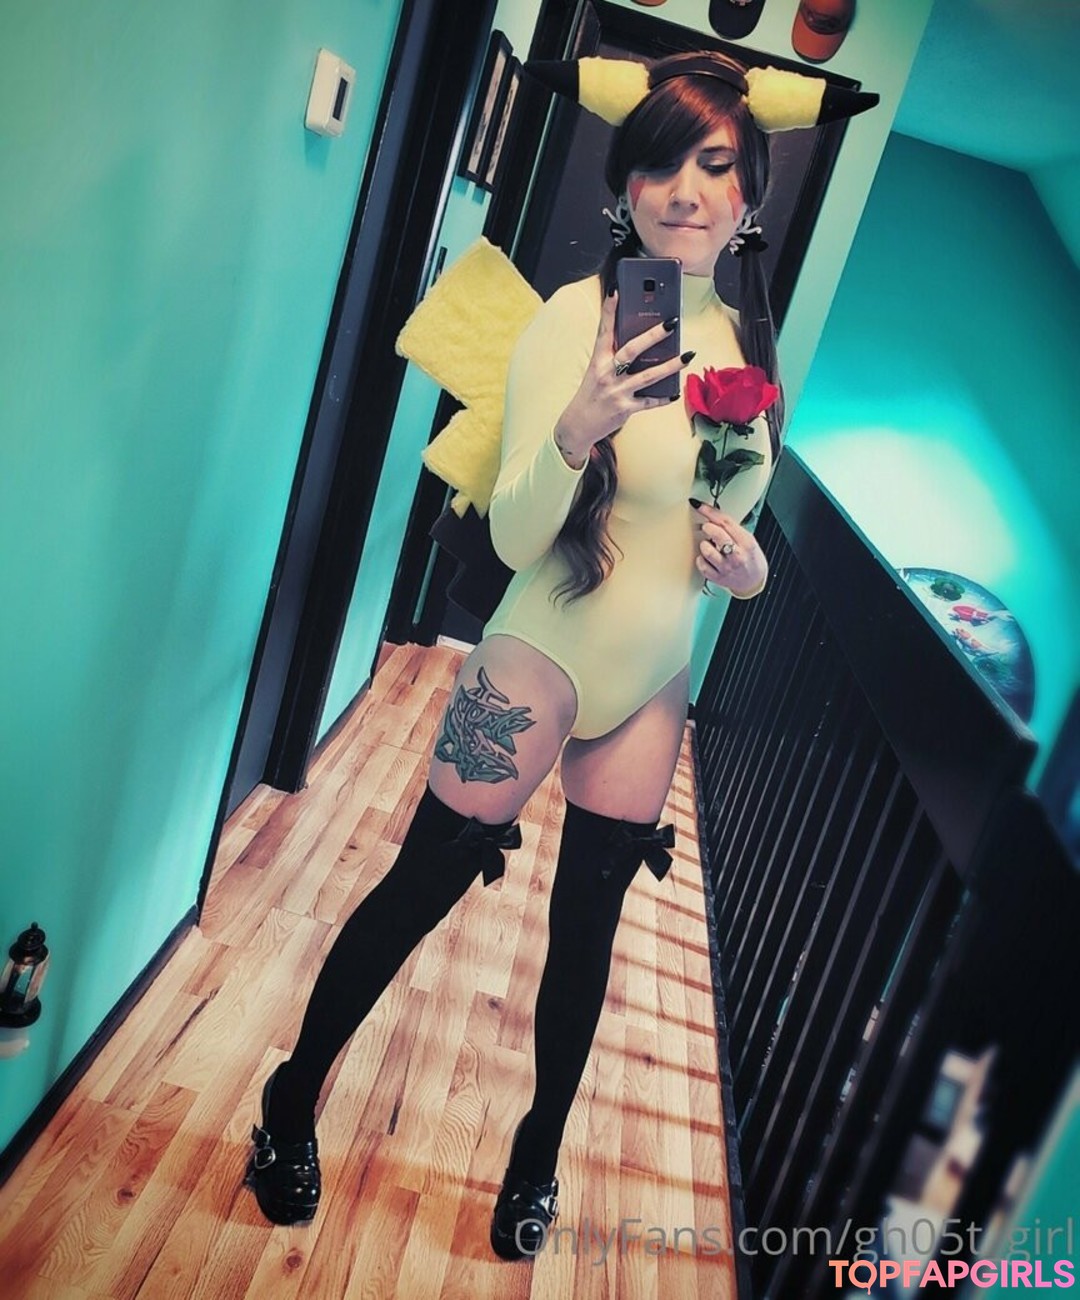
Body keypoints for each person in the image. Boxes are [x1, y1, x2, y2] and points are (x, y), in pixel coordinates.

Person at [243, 47, 876, 1258]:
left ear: (749, 198)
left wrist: (746, 572)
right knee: (421, 886)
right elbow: (515, 536)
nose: (687, 190)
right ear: (625, 186)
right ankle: (291, 1095)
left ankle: (536, 1155)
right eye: (663, 164)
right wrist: (581, 424)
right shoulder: (571, 322)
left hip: (652, 674)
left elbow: (721, 518)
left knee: (586, 934)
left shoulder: (743, 345)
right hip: (540, 650)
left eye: (716, 166)